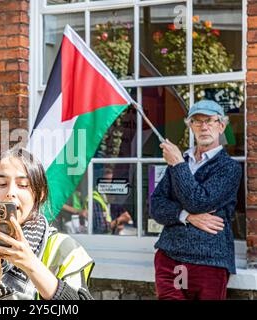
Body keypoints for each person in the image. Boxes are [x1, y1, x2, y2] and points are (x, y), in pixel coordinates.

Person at [0, 148, 94, 300]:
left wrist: (31, 264)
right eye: (1, 184)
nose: (10, 192)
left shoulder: (65, 249)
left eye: (22, 185)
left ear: (39, 194)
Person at [151, 100, 242, 300]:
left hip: (209, 263)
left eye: (210, 120)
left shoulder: (229, 168)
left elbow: (199, 202)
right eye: (197, 121)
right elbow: (156, 205)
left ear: (221, 126)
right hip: (170, 259)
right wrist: (186, 216)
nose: (204, 126)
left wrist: (177, 164)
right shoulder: (181, 161)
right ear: (190, 126)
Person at [92, 168, 133, 234]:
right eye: (107, 181)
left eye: (112, 181)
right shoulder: (96, 200)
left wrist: (120, 223)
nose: (110, 185)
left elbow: (128, 218)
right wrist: (119, 219)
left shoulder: (115, 201)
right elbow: (101, 229)